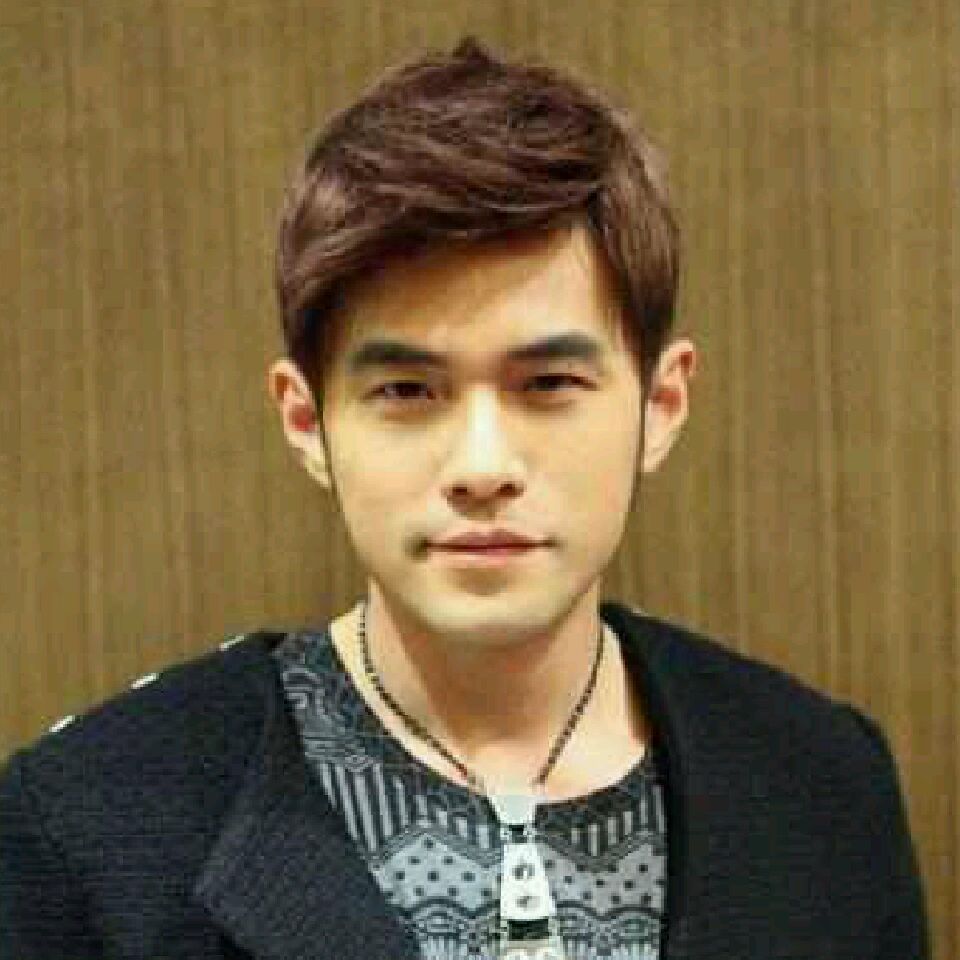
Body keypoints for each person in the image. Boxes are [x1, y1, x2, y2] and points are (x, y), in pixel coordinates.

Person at [0, 37, 928, 960]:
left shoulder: (825, 783)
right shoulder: (89, 824)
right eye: (408, 391)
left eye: (550, 384)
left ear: (660, 406)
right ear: (306, 420)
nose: (483, 466)